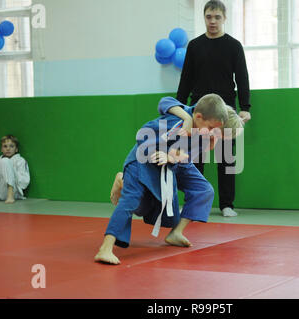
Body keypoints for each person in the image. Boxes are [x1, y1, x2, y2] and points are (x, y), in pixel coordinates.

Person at [95, 94, 229, 265]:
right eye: (210, 128)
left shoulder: (203, 131)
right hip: (143, 160)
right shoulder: (178, 121)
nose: (212, 133)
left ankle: (175, 233)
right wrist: (169, 149)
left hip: (172, 165)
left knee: (201, 192)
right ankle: (105, 248)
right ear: (198, 117)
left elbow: (188, 155)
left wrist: (176, 156)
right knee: (132, 201)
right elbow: (147, 140)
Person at [176, 0, 251, 217]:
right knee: (195, 158)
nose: (213, 21)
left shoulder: (234, 46)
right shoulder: (195, 46)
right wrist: (179, 106)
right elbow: (186, 78)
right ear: (204, 18)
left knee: (226, 157)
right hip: (198, 111)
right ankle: (194, 202)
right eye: (209, 17)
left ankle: (226, 204)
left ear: (224, 19)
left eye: (217, 17)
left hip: (225, 111)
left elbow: (242, 78)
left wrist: (245, 107)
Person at [0, 135, 30, 204]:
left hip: (13, 192)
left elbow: (24, 183)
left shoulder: (20, 161)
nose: (8, 149)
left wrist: (11, 171)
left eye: (11, 146)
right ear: (1, 149)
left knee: (5, 161)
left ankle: (10, 195)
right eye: (5, 146)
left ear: (16, 149)